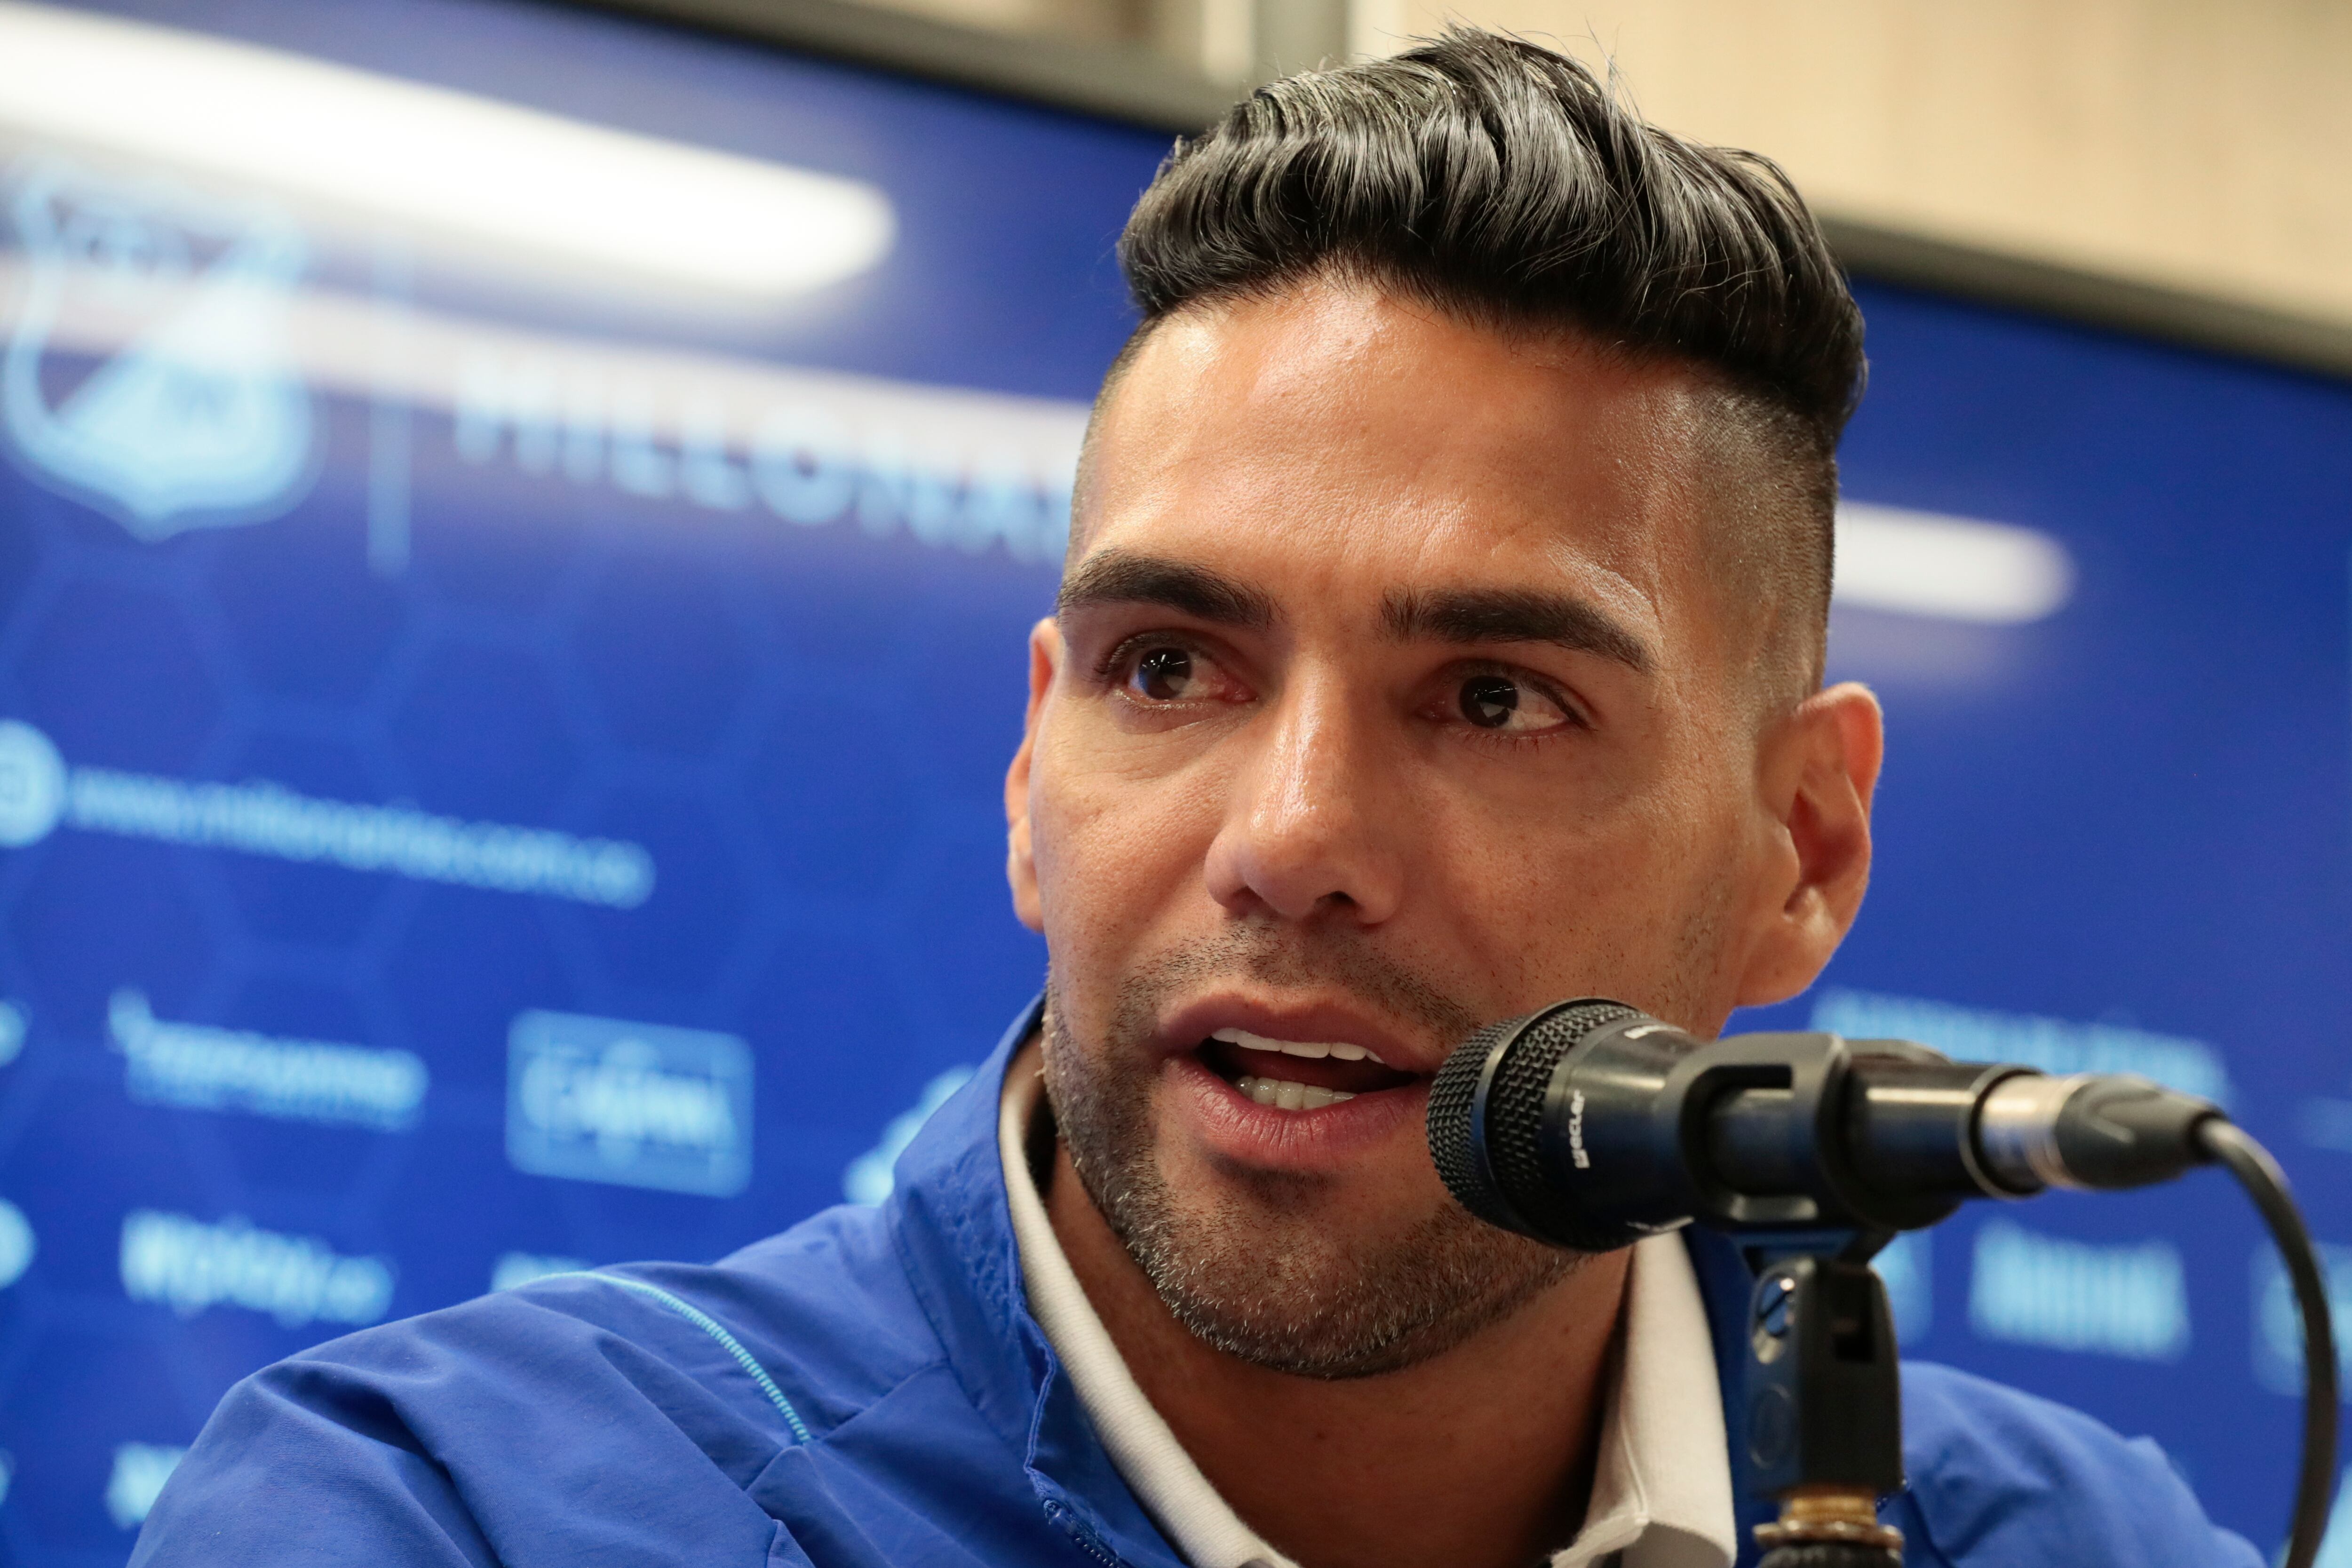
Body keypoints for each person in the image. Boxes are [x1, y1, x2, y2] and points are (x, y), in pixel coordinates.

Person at [134, 29, 2259, 1568]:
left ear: (1796, 854)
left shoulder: (2077, 1544)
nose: (1292, 836)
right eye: (1171, 671)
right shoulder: (436, 1518)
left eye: (1496, 698)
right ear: (1032, 769)